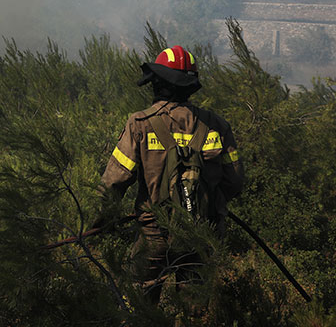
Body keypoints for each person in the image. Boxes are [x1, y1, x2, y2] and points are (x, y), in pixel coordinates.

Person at [99, 45, 244, 305]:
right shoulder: (217, 125)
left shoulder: (140, 124)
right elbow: (234, 180)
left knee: (139, 303)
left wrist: (99, 222)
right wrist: (203, 208)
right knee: (195, 309)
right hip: (202, 234)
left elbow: (114, 182)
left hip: (155, 233)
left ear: (158, 84)